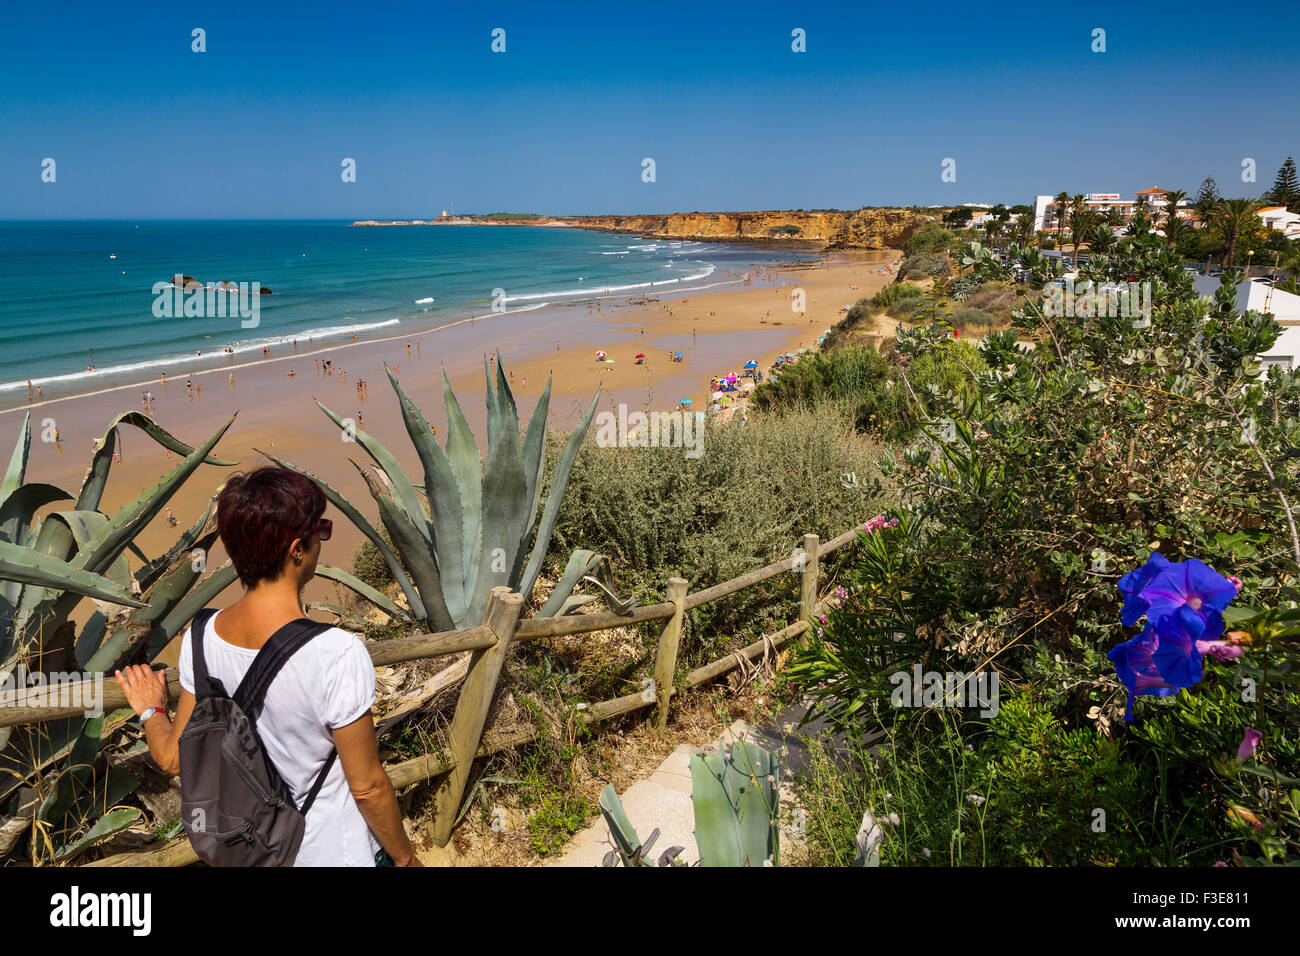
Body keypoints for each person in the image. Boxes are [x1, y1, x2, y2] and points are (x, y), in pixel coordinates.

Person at [115, 468, 420, 867]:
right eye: (320, 531)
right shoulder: (336, 652)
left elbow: (173, 758)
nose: (321, 542)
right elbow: (368, 788)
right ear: (298, 549)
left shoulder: (201, 638)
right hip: (335, 853)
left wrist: (152, 710)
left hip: (256, 853)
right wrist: (406, 859)